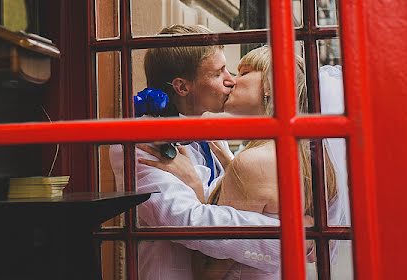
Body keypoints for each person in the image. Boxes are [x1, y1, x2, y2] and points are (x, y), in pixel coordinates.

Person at [144, 46, 349, 279]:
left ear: (271, 86)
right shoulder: (303, 156)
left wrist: (197, 187)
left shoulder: (252, 162)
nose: (231, 80)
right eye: (221, 72)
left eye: (243, 73)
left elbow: (208, 270)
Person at [110, 26, 283, 280]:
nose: (231, 79)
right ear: (182, 87)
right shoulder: (139, 143)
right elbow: (187, 222)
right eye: (217, 73)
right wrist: (287, 236)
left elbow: (239, 197)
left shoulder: (212, 135)